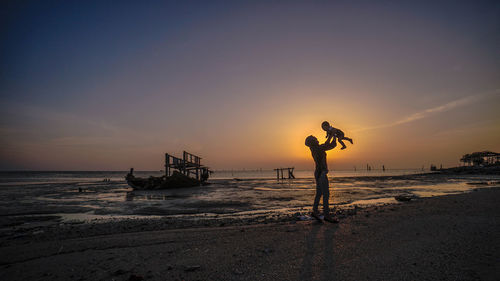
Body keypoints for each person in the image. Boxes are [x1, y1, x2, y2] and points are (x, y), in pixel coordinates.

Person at [305, 134, 339, 223]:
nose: (317, 138)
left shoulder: (314, 149)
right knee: (326, 194)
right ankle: (327, 215)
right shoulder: (319, 148)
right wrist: (333, 136)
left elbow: (326, 144)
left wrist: (330, 136)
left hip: (317, 172)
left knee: (319, 193)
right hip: (322, 173)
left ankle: (315, 211)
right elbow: (331, 145)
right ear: (313, 142)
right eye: (315, 138)